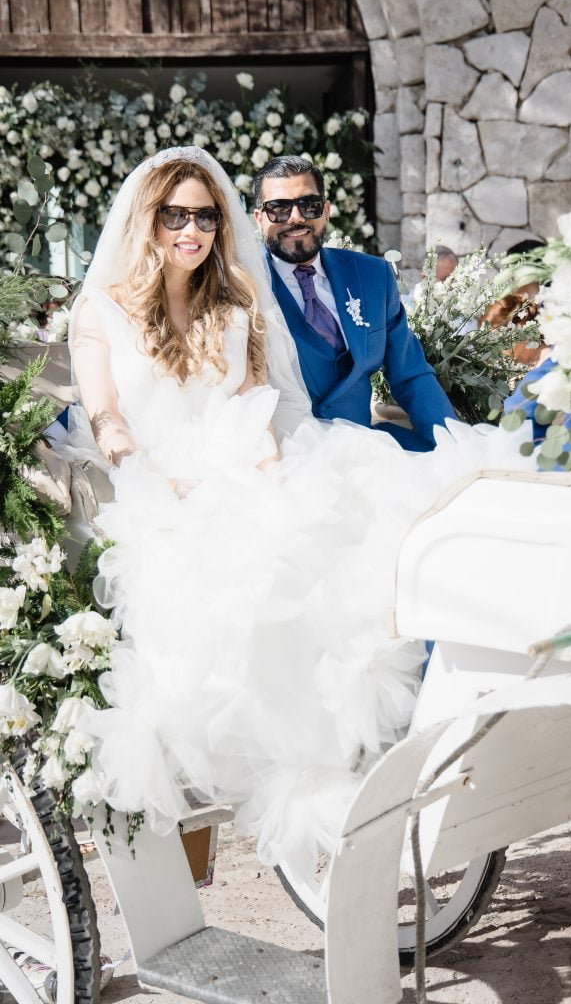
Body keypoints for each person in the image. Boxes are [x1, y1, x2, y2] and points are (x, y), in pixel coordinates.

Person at [62, 146, 536, 871]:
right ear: (147, 221)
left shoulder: (237, 303)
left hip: (250, 460)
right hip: (156, 482)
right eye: (175, 216)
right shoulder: (102, 311)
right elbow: (106, 419)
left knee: (343, 547)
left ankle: (385, 745)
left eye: (204, 217)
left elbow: (267, 404)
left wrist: (275, 468)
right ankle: (283, 772)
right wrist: (148, 475)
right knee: (235, 591)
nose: (191, 231)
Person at [253, 155, 455, 452]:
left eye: (309, 204)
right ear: (259, 218)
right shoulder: (243, 286)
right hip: (286, 457)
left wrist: (453, 443)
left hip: (363, 452)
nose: (295, 217)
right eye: (279, 208)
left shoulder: (373, 275)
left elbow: (410, 374)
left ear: (326, 211)